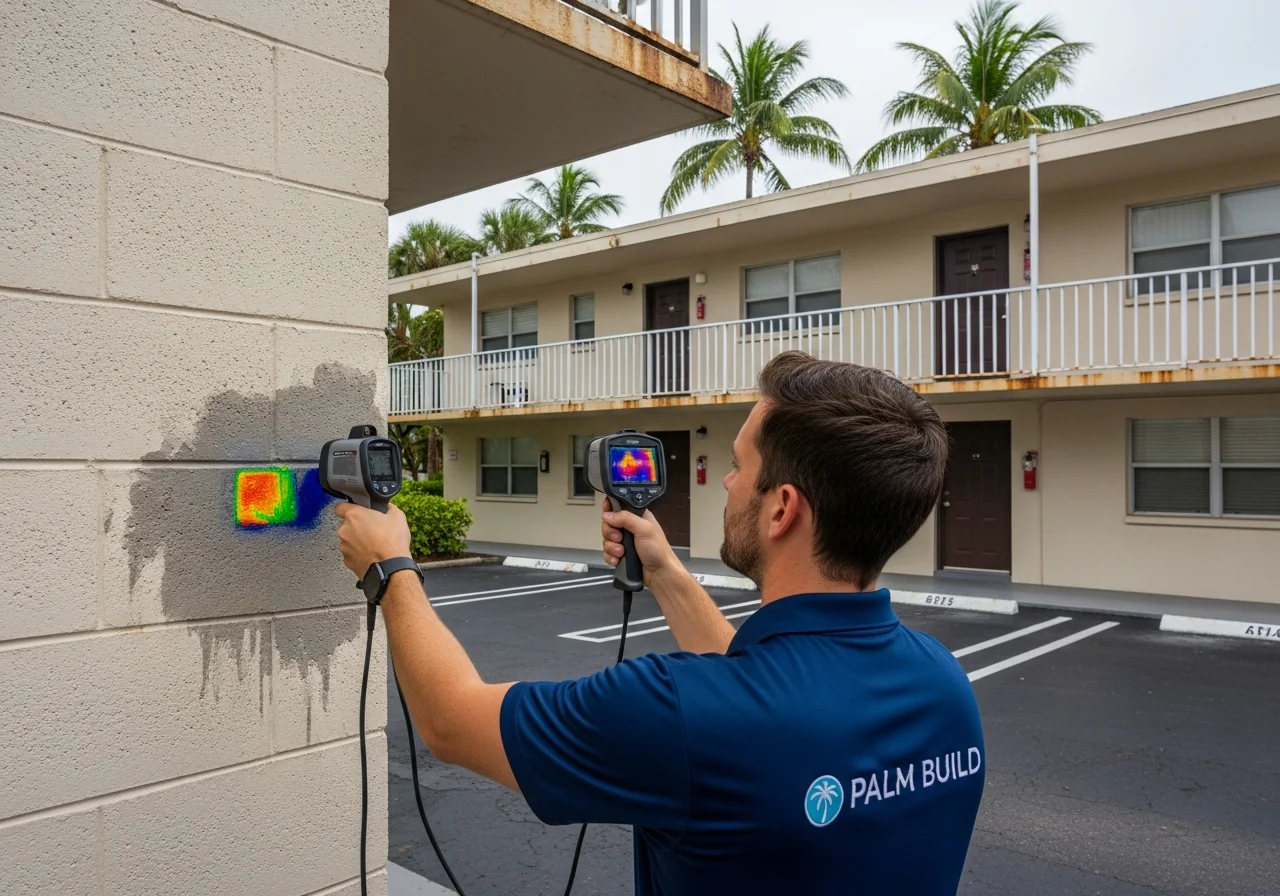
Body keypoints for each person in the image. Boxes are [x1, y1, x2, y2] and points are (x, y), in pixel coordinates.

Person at [335, 351, 985, 895]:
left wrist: (391, 566)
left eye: (739, 465)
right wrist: (666, 571)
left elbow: (451, 721)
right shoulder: (944, 687)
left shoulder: (681, 712)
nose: (726, 483)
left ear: (783, 508)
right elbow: (767, 701)